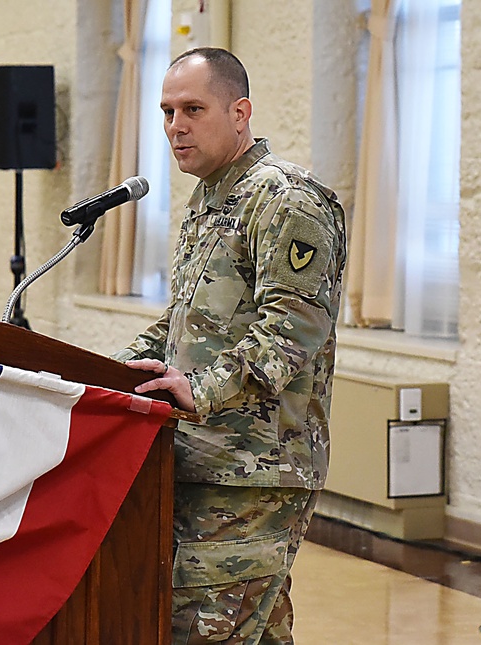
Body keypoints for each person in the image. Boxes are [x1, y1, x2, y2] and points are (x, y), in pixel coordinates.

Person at [113, 48, 347, 644]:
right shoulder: (213, 198)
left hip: (256, 465)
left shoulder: (286, 200)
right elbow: (183, 321)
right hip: (203, 455)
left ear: (240, 112)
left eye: (193, 108)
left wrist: (200, 389)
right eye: (166, 112)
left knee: (198, 629)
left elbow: (294, 328)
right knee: (255, 629)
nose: (175, 126)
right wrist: (111, 375)